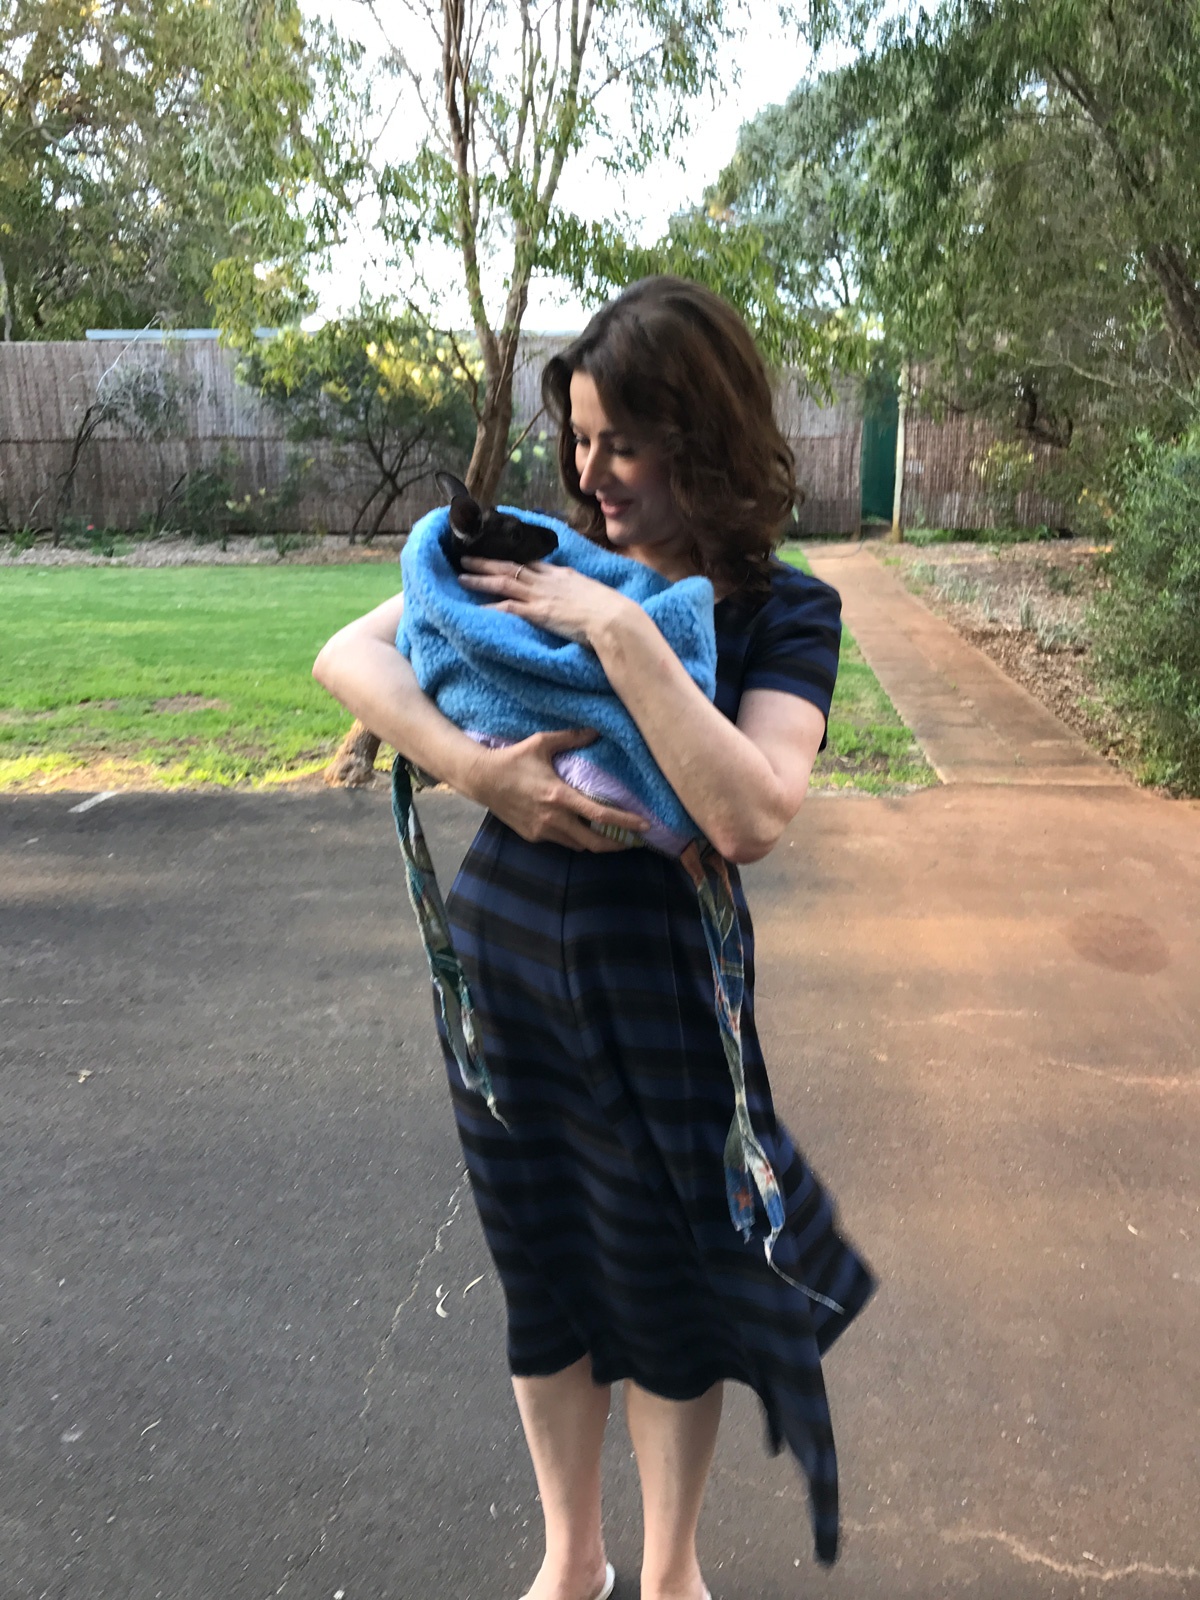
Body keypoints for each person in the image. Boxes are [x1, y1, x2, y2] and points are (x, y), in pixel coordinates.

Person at [313, 276, 873, 1600]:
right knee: (545, 1262)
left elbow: (750, 812)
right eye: (577, 436)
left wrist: (623, 632)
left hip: (659, 977)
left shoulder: (781, 609)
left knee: (668, 1283)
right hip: (506, 953)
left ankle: (670, 1574)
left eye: (622, 440)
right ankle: (572, 1563)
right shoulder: (541, 557)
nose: (589, 470)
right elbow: (351, 652)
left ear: (704, 430)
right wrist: (476, 771)